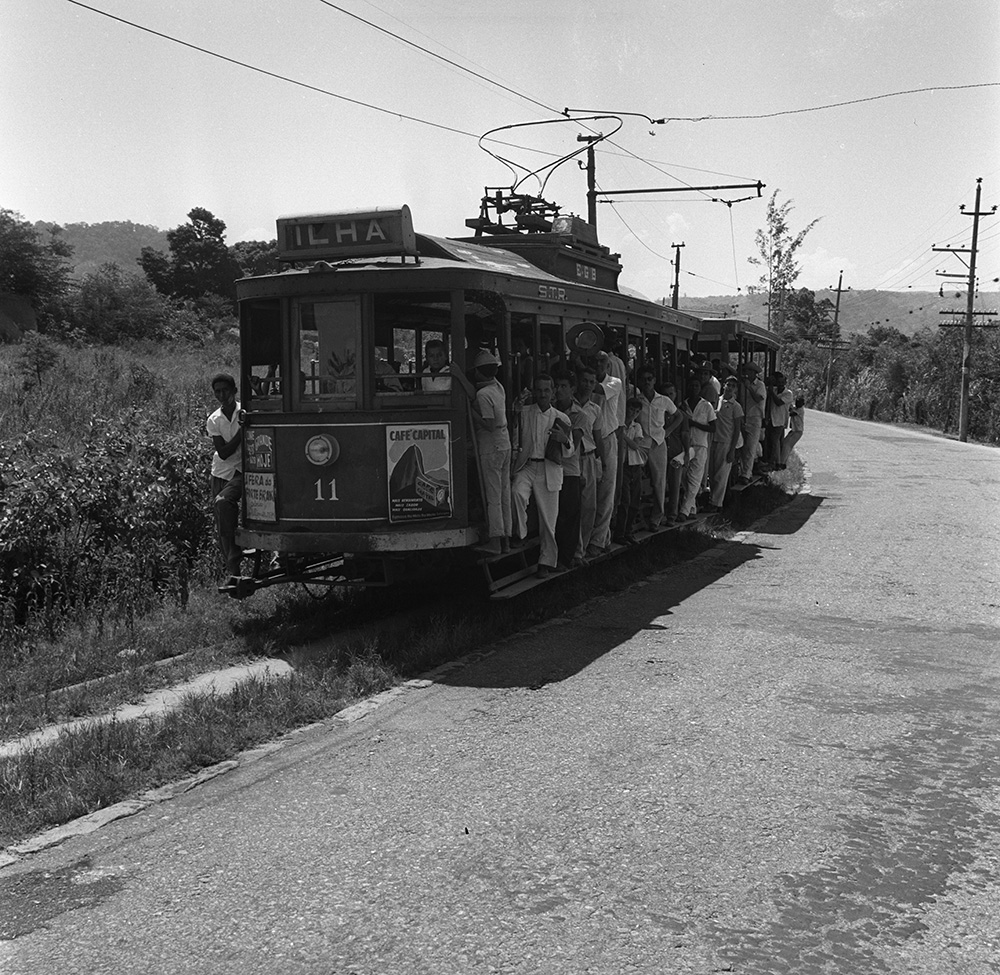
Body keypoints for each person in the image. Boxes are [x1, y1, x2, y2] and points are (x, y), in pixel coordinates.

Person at [511, 373, 573, 578]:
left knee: (549, 520)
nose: (543, 394)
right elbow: (514, 431)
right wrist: (515, 409)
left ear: (553, 392)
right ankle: (520, 534)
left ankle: (545, 562)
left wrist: (564, 440)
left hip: (549, 468)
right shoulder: (525, 411)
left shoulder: (561, 418)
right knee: (517, 493)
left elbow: (570, 451)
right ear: (534, 391)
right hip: (528, 466)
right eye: (539, 390)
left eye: (547, 390)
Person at [469, 350, 511, 555]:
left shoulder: (483, 395)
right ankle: (506, 540)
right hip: (504, 444)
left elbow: (489, 424)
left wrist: (471, 412)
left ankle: (494, 541)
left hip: (491, 446)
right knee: (504, 494)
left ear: (478, 372)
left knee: (493, 496)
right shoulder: (498, 387)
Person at [206, 373, 243, 581]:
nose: (221, 395)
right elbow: (223, 452)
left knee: (223, 504)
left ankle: (235, 558)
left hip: (242, 470)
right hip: (221, 472)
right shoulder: (214, 420)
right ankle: (233, 570)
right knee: (222, 523)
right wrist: (241, 432)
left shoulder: (244, 411)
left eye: (225, 390)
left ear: (234, 391)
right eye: (217, 392)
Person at [587, 350, 623, 557]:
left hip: (608, 438)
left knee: (606, 492)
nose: (599, 364)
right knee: (591, 494)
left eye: (602, 361)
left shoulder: (614, 383)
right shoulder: (589, 381)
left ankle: (598, 541)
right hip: (590, 439)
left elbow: (597, 389)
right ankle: (603, 537)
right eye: (595, 360)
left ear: (608, 366)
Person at [636, 366, 681, 530]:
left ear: (654, 381)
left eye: (650, 379)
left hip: (658, 443)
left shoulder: (663, 400)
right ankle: (636, 518)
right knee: (635, 480)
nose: (647, 382)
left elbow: (679, 416)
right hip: (640, 443)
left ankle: (656, 518)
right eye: (644, 379)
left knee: (659, 482)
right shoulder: (637, 399)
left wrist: (667, 431)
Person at [572, 363, 605, 567]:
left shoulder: (596, 409)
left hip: (590, 458)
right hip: (573, 459)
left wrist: (601, 462)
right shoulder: (568, 405)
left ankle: (581, 550)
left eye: (592, 382)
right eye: (585, 380)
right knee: (573, 506)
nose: (588, 385)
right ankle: (574, 551)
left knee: (589, 507)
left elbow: (598, 437)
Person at [552, 369, 583, 569]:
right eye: (558, 386)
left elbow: (575, 444)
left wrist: (564, 440)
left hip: (570, 471)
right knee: (555, 516)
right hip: (551, 469)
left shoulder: (579, 415)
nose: (559, 390)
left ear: (572, 389)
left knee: (569, 516)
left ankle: (568, 557)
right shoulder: (550, 409)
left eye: (564, 386)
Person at [678, 378, 716, 519]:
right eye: (692, 385)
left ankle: (684, 511)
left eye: (696, 385)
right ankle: (692, 508)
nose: (694, 388)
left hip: (700, 445)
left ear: (700, 388)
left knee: (694, 479)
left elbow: (713, 427)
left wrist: (694, 423)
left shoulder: (706, 406)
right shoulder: (684, 405)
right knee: (683, 476)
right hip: (686, 445)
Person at [707, 376, 745, 511]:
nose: (730, 388)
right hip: (713, 439)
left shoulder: (736, 406)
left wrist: (732, 450)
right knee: (711, 473)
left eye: (733, 386)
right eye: (728, 384)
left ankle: (716, 503)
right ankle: (711, 499)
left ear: (736, 390)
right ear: (724, 385)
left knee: (720, 475)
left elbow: (737, 429)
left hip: (726, 442)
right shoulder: (717, 401)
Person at [614, 397, 646, 544]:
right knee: (624, 500)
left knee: (634, 501)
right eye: (632, 409)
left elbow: (635, 445)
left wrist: (623, 436)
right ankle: (620, 534)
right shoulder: (618, 424)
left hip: (635, 465)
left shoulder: (636, 427)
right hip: (623, 466)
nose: (633, 413)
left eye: (637, 411)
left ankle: (628, 531)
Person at [662, 381, 689, 525]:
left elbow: (685, 435)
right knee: (659, 485)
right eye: (665, 394)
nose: (668, 397)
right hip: (660, 452)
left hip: (676, 453)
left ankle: (672, 515)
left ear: (675, 395)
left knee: (674, 485)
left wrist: (687, 454)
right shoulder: (659, 412)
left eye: (671, 394)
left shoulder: (682, 415)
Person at [736, 360, 766, 484]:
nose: (746, 373)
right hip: (743, 417)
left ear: (754, 373)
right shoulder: (742, 384)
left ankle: (746, 474)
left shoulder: (760, 385)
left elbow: (758, 398)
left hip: (755, 418)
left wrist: (749, 387)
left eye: (748, 371)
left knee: (750, 447)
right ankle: (741, 471)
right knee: (741, 445)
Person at [765, 371, 794, 469]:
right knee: (771, 442)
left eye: (782, 382)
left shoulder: (788, 393)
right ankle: (774, 462)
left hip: (780, 420)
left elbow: (778, 402)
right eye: (779, 382)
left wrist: (771, 392)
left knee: (775, 442)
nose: (780, 384)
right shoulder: (775, 390)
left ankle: (773, 463)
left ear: (785, 383)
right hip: (771, 419)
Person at [781, 394, 806, 466]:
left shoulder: (800, 410)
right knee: (784, 443)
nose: (798, 404)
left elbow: (792, 413)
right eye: (797, 402)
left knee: (787, 445)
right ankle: (782, 461)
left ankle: (783, 462)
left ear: (803, 404)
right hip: (794, 431)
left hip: (798, 431)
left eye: (800, 403)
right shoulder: (796, 408)